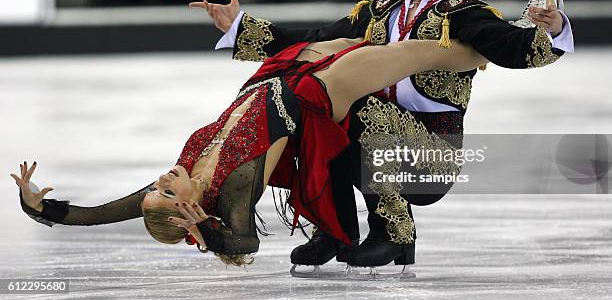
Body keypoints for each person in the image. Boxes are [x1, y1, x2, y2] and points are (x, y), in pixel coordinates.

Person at [196, 0, 575, 267]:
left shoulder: (465, 13)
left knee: (354, 104)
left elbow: (514, 47)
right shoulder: (382, 9)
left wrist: (552, 27)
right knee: (317, 103)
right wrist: (239, 27)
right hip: (371, 138)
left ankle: (394, 232)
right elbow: (312, 43)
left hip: (430, 159)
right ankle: (336, 231)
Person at [12, 33, 487, 266]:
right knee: (412, 55)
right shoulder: (235, 188)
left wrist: (37, 206)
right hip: (315, 94)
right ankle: (512, 43)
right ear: (190, 207)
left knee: (354, 37)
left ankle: (482, 46)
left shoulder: (184, 174)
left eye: (152, 189)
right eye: (163, 191)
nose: (157, 181)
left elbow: (96, 214)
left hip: (273, 81)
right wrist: (214, 236)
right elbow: (246, 242)